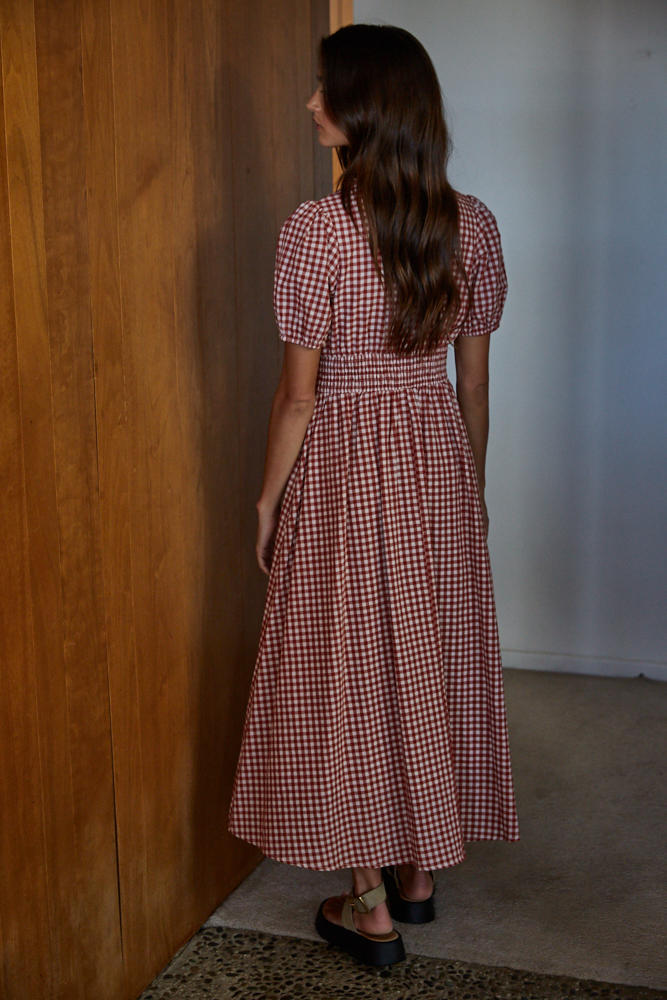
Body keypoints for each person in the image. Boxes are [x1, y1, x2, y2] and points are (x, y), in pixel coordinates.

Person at [228, 23, 519, 967]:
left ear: (371, 108)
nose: (312, 104)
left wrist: (267, 501)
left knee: (344, 663)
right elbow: (473, 383)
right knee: (426, 652)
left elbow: (297, 396)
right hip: (435, 454)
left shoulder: (316, 229)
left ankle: (368, 903)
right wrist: (468, 490)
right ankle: (419, 876)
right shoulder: (472, 224)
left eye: (328, 90)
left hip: (345, 462)